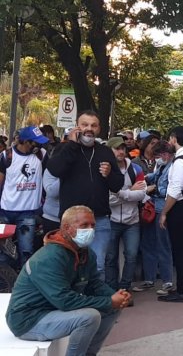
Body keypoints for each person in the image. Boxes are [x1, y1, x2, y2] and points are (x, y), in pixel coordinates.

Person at [6, 205, 131, 356]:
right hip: (28, 320)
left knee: (112, 309)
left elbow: (94, 284)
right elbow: (64, 301)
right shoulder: (50, 257)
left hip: (51, 311)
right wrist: (109, 301)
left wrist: (117, 296)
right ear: (66, 228)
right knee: (89, 317)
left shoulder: (85, 252)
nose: (90, 230)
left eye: (93, 225)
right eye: (84, 225)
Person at [47, 111, 124, 280]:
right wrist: (72, 145)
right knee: (69, 265)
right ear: (77, 126)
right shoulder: (64, 148)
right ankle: (73, 302)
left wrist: (110, 174)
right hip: (72, 221)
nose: (89, 129)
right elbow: (55, 169)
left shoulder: (105, 151)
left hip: (99, 220)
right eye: (85, 124)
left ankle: (96, 304)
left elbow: (117, 185)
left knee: (97, 266)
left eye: (93, 125)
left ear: (99, 129)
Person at [158, 126, 183, 302]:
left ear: (174, 139)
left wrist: (164, 212)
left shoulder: (181, 161)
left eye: (170, 139)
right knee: (182, 249)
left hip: (179, 208)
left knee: (179, 250)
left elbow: (174, 190)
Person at [0, 126, 48, 264]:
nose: (38, 146)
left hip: (27, 213)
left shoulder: (42, 155)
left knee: (26, 251)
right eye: (35, 142)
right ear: (25, 141)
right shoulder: (6, 156)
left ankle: (22, 282)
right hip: (5, 211)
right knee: (3, 253)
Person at [105, 137, 146, 298]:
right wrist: (129, 190)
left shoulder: (135, 169)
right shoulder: (105, 171)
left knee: (131, 255)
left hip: (132, 221)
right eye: (117, 149)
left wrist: (120, 193)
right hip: (111, 220)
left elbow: (141, 193)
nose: (121, 151)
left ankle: (124, 288)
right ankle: (110, 289)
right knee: (110, 257)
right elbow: (107, 200)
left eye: (123, 148)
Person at [134, 141, 175, 295]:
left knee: (163, 246)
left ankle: (167, 281)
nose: (156, 159)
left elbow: (171, 190)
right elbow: (154, 176)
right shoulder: (163, 166)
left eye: (158, 156)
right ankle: (149, 279)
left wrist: (154, 188)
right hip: (153, 208)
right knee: (147, 244)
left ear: (165, 154)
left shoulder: (174, 167)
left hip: (163, 209)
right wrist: (144, 179)